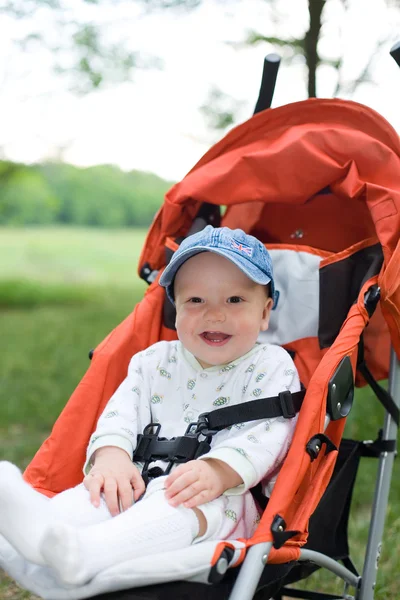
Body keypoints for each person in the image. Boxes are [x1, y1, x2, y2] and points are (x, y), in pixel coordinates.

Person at [0, 225, 300, 589]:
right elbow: (121, 412)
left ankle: (86, 555)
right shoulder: (154, 360)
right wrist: (112, 456)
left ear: (265, 312)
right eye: (195, 301)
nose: (214, 314)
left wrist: (220, 471)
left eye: (235, 300)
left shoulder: (271, 365)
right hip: (135, 480)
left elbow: (270, 433)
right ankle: (38, 533)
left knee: (175, 506)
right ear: (174, 309)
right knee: (96, 495)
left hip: (218, 501)